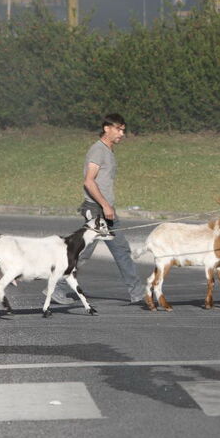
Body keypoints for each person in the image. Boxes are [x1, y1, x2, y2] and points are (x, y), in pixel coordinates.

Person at [48, 113, 146, 305]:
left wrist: (108, 207)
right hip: (96, 210)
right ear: (106, 128)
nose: (122, 134)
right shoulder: (98, 150)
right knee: (83, 253)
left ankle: (138, 294)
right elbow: (89, 181)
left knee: (121, 250)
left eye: (123, 130)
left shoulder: (108, 151)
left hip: (106, 211)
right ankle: (56, 288)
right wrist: (105, 205)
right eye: (118, 129)